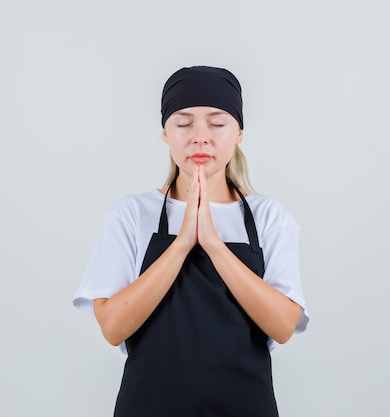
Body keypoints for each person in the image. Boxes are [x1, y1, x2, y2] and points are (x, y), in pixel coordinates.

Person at [73, 66, 309, 417]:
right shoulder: (131, 214)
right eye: (183, 124)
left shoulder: (268, 216)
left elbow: (282, 326)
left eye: (217, 123)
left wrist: (213, 244)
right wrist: (182, 242)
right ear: (166, 134)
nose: (200, 137)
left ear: (239, 133)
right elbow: (112, 326)